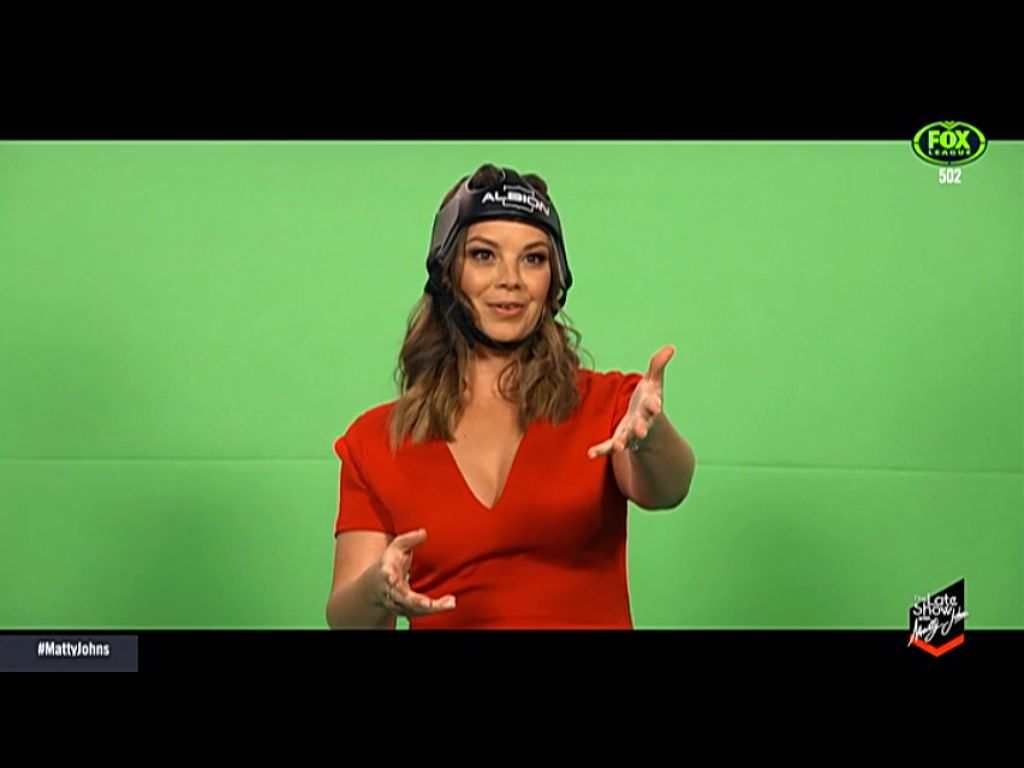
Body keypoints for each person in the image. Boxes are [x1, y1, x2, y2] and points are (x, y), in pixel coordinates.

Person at [326, 164, 696, 629]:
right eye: (484, 255)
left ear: (554, 281)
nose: (511, 279)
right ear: (446, 271)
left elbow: (667, 489)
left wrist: (649, 435)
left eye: (533, 259)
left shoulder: (608, 404)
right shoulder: (376, 439)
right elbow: (348, 619)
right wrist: (378, 590)